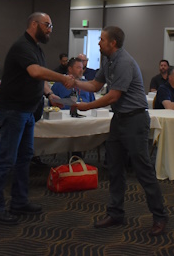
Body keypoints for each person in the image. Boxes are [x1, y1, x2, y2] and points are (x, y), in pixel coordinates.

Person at [72, 26, 168, 237]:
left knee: (143, 170)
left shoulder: (124, 61)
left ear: (112, 43)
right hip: (119, 119)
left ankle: (159, 216)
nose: (98, 43)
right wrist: (74, 83)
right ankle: (116, 213)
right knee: (114, 167)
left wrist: (85, 107)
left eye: (102, 39)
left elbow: (113, 96)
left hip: (135, 119)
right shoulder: (107, 59)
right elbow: (96, 85)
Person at [0, 12, 74, 226]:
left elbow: (39, 78)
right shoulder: (22, 46)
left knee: (25, 158)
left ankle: (19, 201)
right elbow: (35, 72)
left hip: (27, 111)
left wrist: (49, 94)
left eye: (51, 26)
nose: (50, 29)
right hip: (13, 110)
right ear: (34, 24)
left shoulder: (36, 48)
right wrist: (63, 77)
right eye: (47, 25)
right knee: (6, 159)